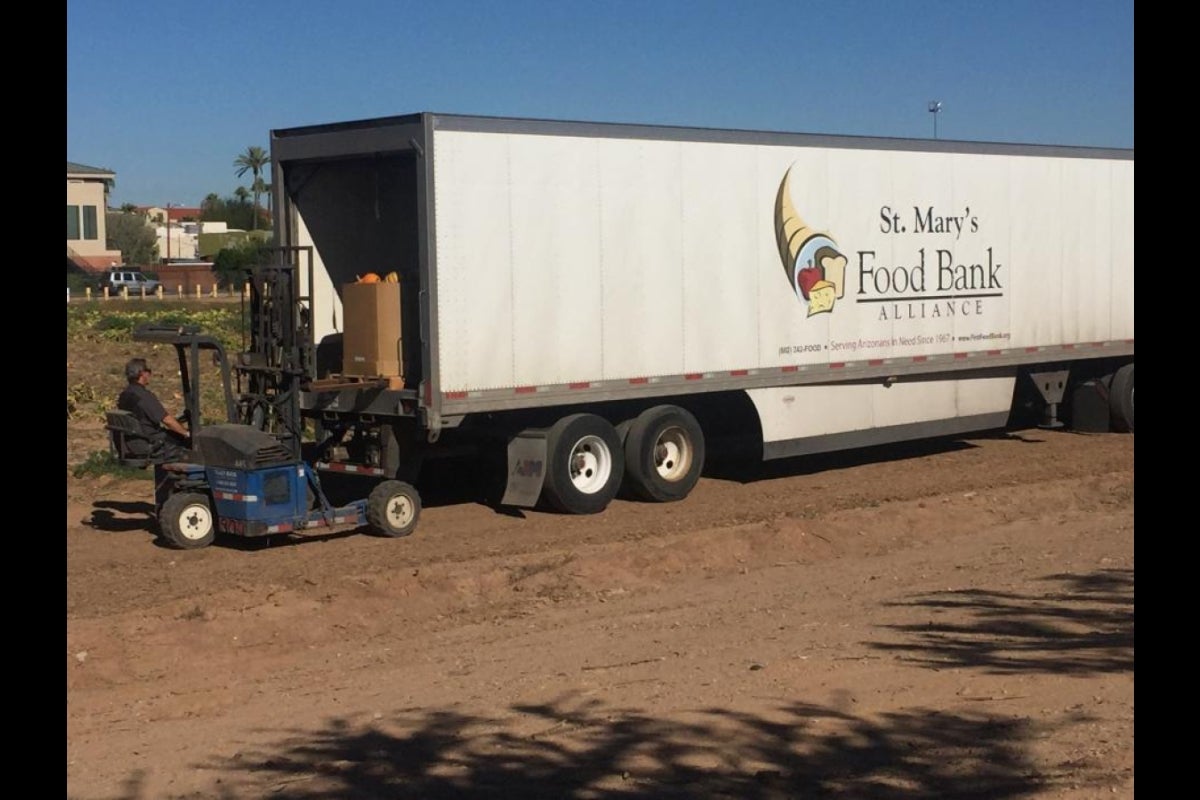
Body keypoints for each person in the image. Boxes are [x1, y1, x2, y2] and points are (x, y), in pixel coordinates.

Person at [117, 357, 191, 462]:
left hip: (134, 441)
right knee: (188, 443)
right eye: (149, 371)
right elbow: (166, 420)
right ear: (142, 373)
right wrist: (187, 433)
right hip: (151, 442)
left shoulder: (125, 395)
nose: (150, 375)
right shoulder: (143, 396)